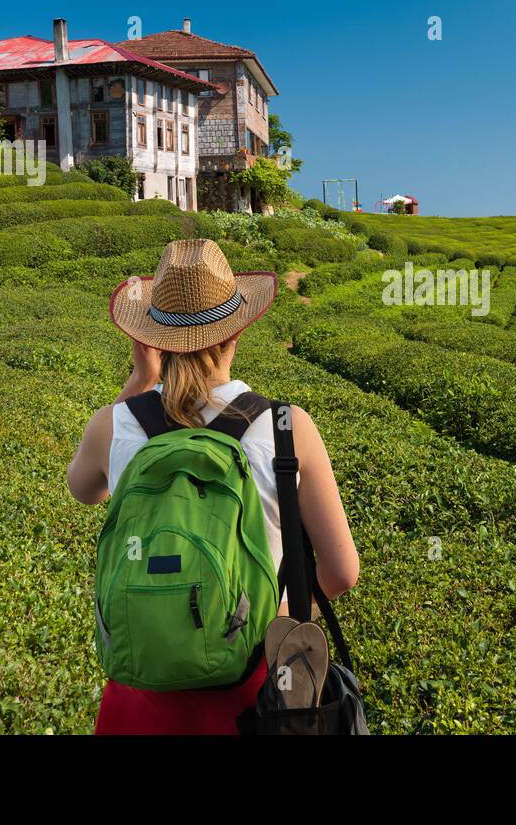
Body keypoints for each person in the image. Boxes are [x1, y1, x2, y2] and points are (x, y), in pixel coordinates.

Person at [65, 238, 359, 734]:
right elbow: (342, 571)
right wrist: (260, 623)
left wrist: (141, 379)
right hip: (254, 698)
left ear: (152, 338)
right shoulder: (287, 428)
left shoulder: (111, 426)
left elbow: (84, 489)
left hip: (138, 693)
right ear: (236, 331)